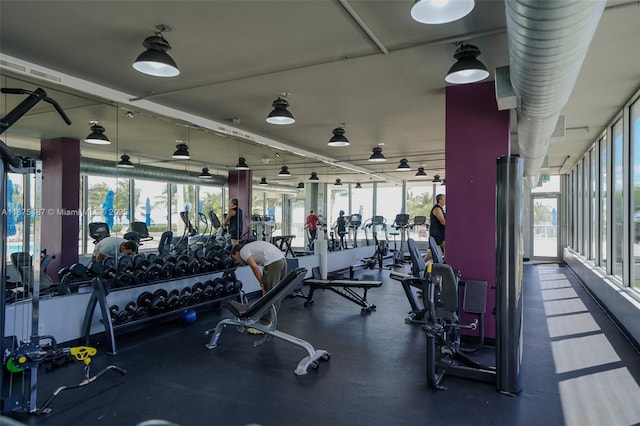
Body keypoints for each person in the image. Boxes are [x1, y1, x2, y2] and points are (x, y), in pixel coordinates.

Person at [231, 241, 287, 334]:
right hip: (282, 260)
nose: (237, 261)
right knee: (277, 293)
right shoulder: (250, 247)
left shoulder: (243, 251)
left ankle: (264, 324)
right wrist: (263, 284)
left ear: (236, 253)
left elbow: (254, 267)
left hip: (274, 263)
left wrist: (262, 284)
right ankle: (271, 320)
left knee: (270, 295)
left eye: (235, 258)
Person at [424, 194, 446, 262]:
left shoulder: (441, 209)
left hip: (441, 232)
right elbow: (443, 222)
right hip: (436, 233)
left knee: (447, 249)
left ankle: (446, 266)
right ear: (440, 200)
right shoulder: (437, 209)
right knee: (434, 251)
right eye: (444, 199)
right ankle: (421, 263)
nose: (446, 200)